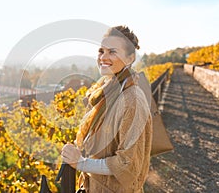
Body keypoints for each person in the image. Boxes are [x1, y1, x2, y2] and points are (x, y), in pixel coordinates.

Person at [61, 25, 153, 193]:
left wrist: (82, 163)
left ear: (130, 58)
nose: (103, 57)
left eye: (112, 52)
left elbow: (128, 164)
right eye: (101, 51)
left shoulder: (132, 100)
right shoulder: (106, 91)